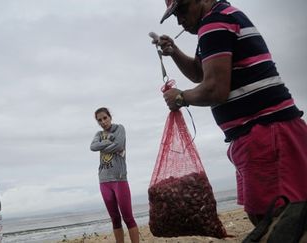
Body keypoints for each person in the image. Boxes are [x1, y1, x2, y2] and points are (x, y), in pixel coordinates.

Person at [150, 0, 307, 225]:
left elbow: (215, 88)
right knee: (264, 216)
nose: (180, 20)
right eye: (175, 15)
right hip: (262, 134)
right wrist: (174, 51)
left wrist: (180, 97)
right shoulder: (216, 19)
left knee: (276, 220)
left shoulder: (214, 23)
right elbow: (199, 74)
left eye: (183, 9)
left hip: (266, 133)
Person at [90, 107, 139, 243]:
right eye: (99, 120)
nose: (103, 122)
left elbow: (118, 146)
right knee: (115, 219)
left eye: (105, 118)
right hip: (104, 181)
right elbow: (92, 147)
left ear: (110, 117)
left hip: (119, 179)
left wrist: (103, 146)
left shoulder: (119, 129)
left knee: (128, 217)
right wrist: (107, 142)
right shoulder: (99, 134)